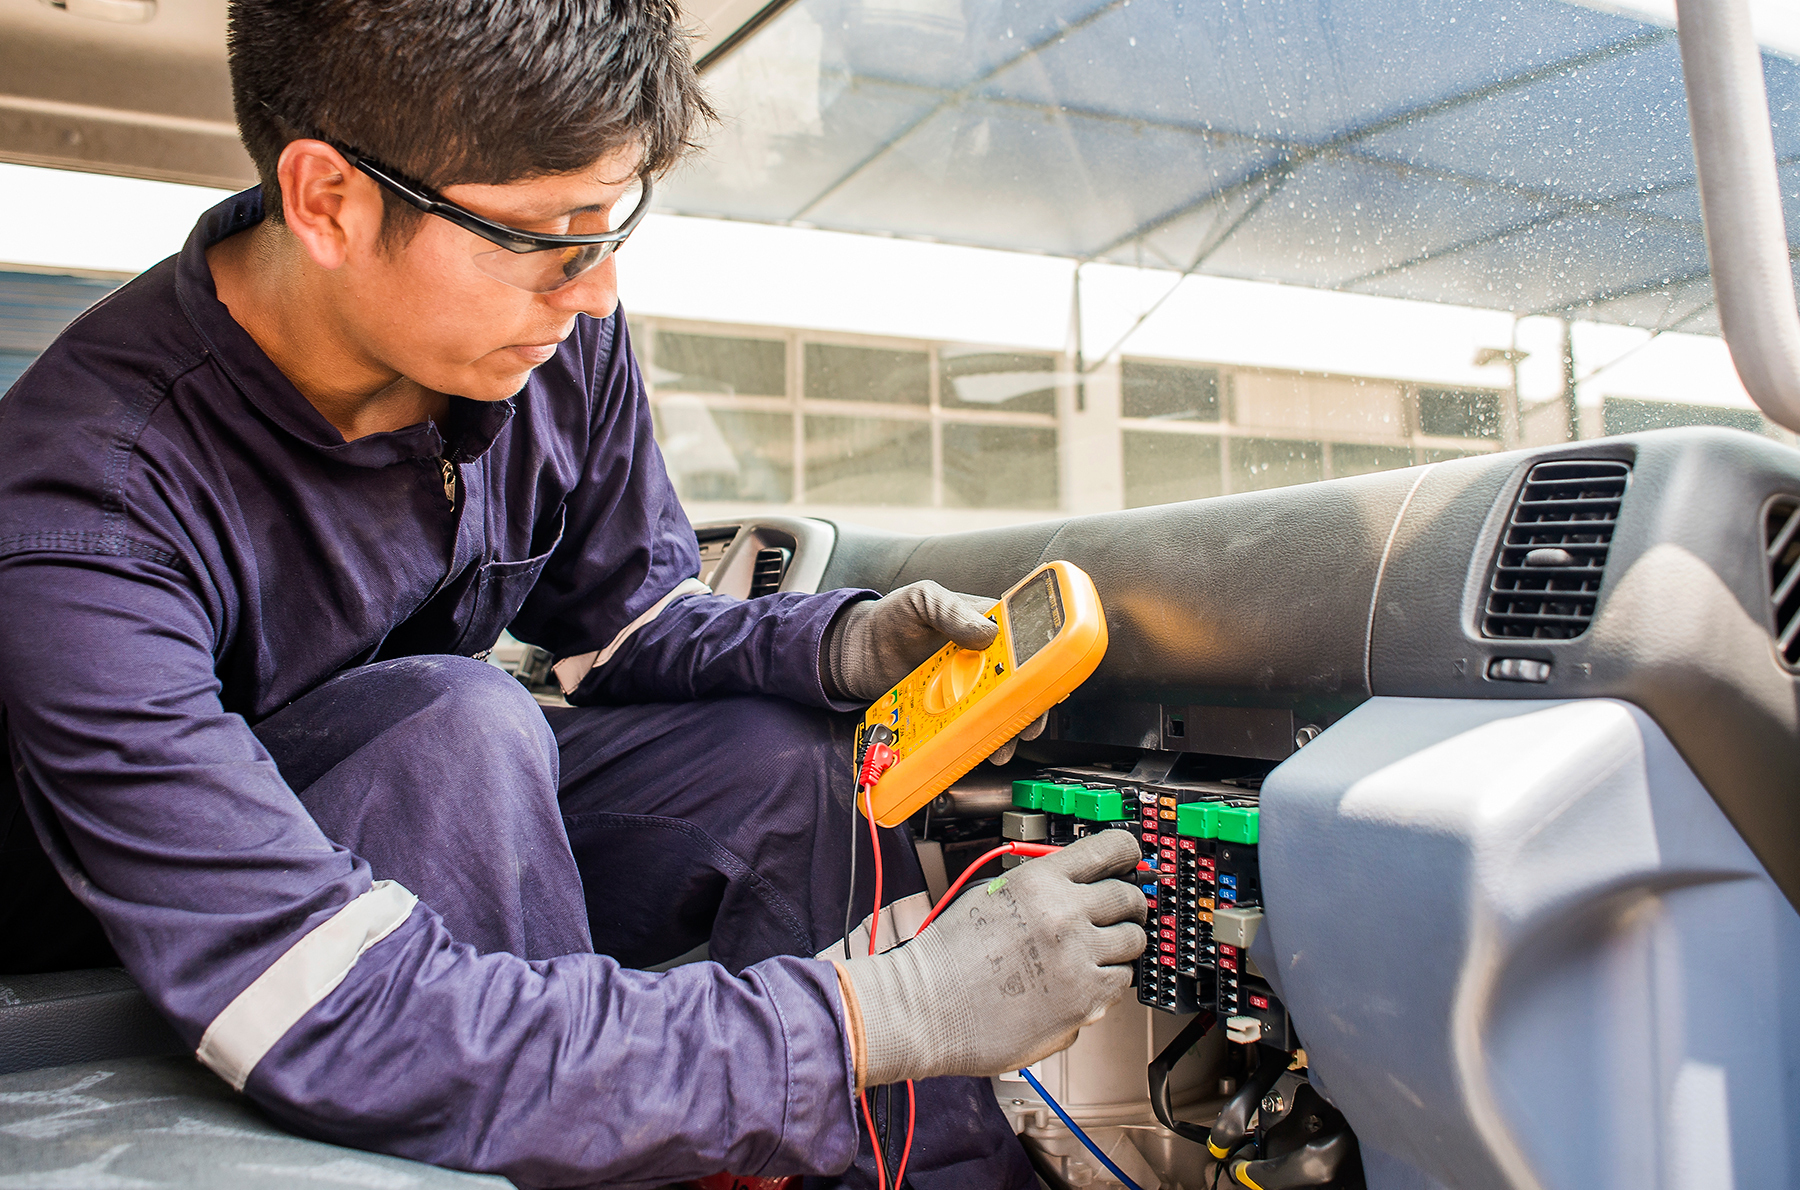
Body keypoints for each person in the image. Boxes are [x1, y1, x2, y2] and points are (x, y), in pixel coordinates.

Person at [0, 0, 1148, 1184]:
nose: (596, 293)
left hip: (432, 829)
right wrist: (873, 1015)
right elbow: (322, 1000)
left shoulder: (542, 343)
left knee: (778, 757)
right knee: (460, 726)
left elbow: (627, 624)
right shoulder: (88, 502)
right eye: (554, 239)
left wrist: (836, 643)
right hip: (197, 923)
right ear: (329, 201)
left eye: (613, 227)